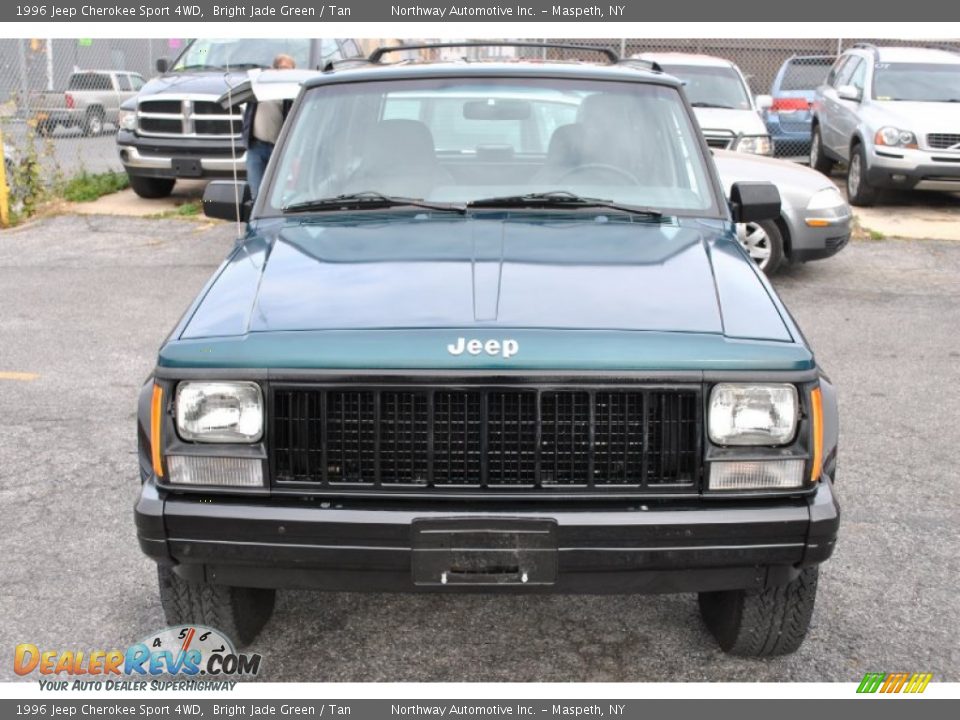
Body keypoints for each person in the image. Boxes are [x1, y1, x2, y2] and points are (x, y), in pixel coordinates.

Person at [243, 53, 296, 198]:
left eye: (289, 70)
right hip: (256, 147)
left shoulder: (292, 93)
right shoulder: (260, 87)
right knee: (257, 193)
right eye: (281, 68)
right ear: (273, 69)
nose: (285, 72)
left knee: (277, 195)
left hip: (279, 150)